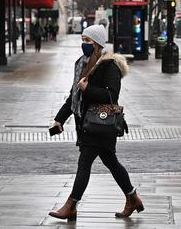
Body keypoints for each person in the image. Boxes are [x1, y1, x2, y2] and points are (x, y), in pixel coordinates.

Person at [49, 25, 143, 222]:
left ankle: (71, 205)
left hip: (100, 124)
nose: (84, 45)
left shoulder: (110, 66)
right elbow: (74, 96)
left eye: (88, 41)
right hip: (88, 124)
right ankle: (132, 197)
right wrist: (59, 118)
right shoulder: (82, 64)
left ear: (98, 44)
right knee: (111, 162)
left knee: (84, 163)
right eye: (82, 40)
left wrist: (88, 88)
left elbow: (111, 95)